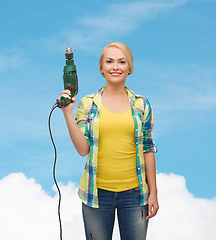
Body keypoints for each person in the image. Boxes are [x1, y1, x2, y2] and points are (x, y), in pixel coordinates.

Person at [58, 42, 159, 240]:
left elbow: (148, 149)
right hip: (96, 195)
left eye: (122, 62)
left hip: (135, 195)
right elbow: (82, 149)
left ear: (129, 68)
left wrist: (153, 192)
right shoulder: (87, 104)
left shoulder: (142, 105)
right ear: (101, 68)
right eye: (109, 61)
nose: (115, 67)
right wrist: (67, 113)